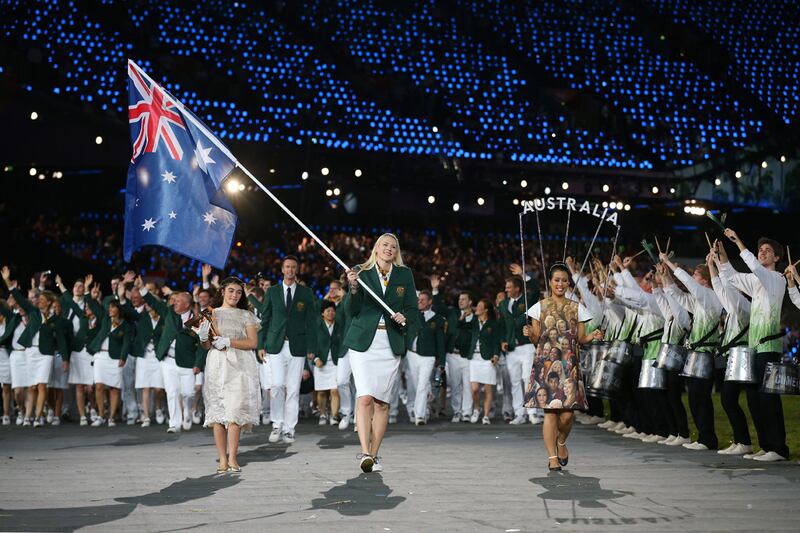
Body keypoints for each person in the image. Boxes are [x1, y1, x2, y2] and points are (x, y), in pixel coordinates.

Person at [344, 233, 419, 473]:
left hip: (390, 342)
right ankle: (364, 452)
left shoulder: (404, 274)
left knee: (382, 404)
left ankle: (374, 455)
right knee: (365, 397)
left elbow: (412, 309)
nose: (389, 249)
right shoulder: (361, 272)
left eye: (393, 247)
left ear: (397, 252)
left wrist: (404, 317)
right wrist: (353, 288)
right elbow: (352, 311)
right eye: (385, 245)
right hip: (363, 342)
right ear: (376, 249)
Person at [523, 263, 603, 471]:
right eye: (556, 280)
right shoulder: (538, 307)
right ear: (550, 282)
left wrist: (593, 337)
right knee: (550, 412)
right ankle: (552, 457)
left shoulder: (577, 308)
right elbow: (536, 339)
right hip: (545, 365)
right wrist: (530, 333)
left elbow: (581, 338)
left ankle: (561, 442)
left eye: (564, 280)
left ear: (569, 283)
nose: (560, 284)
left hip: (569, 366)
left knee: (567, 415)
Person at [718, 229, 789, 461]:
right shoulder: (757, 281)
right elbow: (731, 276)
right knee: (754, 399)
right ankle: (766, 446)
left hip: (769, 346)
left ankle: (779, 448)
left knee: (768, 399)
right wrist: (722, 256)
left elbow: (755, 268)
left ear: (777, 258)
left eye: (767, 251)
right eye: (761, 250)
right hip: (755, 348)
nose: (762, 252)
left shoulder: (777, 279)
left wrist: (738, 241)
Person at [196, 277, 260, 474]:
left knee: (234, 411)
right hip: (217, 364)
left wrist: (229, 341)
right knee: (217, 412)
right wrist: (203, 337)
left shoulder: (246, 315)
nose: (234, 295)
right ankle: (222, 459)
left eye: (238, 292)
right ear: (222, 291)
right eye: (231, 291)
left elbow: (252, 343)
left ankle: (233, 457)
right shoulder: (211, 313)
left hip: (240, 365)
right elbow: (208, 345)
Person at [258, 255, 318, 444]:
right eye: (287, 267)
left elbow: (312, 322)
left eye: (293, 267)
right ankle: (277, 424)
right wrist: (261, 344)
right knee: (276, 385)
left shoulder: (306, 293)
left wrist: (311, 347)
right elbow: (264, 319)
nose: (290, 270)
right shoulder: (273, 292)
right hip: (276, 344)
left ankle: (289, 429)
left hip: (297, 346)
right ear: (282, 270)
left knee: (293, 389)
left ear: (296, 270)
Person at [2, 267, 67, 427]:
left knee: (42, 384)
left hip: (46, 354)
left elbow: (61, 340)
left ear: (49, 302)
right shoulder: (33, 313)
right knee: (32, 386)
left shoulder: (55, 319)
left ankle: (37, 417)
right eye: (39, 300)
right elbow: (19, 298)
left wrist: (65, 359)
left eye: (42, 300)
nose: (39, 302)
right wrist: (7, 281)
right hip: (31, 352)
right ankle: (28, 415)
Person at [141, 282, 207, 433]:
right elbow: (154, 303)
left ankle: (188, 412)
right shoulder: (170, 313)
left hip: (188, 363)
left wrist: (198, 364)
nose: (174, 303)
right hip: (168, 360)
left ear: (186, 304)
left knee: (188, 393)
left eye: (177, 301)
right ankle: (174, 423)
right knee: (172, 392)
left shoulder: (198, 321)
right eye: (174, 301)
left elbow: (203, 346)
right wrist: (142, 289)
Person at [710, 245, 753, 455]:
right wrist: (713, 264)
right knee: (729, 399)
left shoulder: (744, 305)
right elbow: (720, 289)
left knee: (729, 398)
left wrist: (721, 261)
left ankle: (744, 441)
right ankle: (741, 441)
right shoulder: (735, 306)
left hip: (742, 356)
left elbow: (727, 287)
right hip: (734, 357)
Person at [500, 271, 538, 425]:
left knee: (527, 378)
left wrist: (524, 275)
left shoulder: (527, 300)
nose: (506, 290)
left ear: (517, 288)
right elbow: (502, 325)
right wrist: (502, 340)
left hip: (527, 345)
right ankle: (519, 413)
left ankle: (533, 412)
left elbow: (535, 290)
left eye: (509, 287)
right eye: (506, 287)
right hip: (511, 348)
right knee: (515, 381)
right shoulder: (503, 304)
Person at [86, 300, 131, 426]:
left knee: (114, 388)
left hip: (115, 358)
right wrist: (90, 296)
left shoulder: (126, 326)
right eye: (109, 307)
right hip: (101, 356)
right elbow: (96, 308)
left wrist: (123, 357)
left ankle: (111, 417)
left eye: (113, 307)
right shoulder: (105, 320)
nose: (110, 310)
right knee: (99, 386)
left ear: (118, 309)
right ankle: (101, 415)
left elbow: (126, 343)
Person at [405, 290, 445, 425]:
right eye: (418, 299)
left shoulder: (437, 319)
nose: (420, 302)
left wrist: (442, 362)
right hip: (412, 354)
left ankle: (419, 416)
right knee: (415, 385)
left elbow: (440, 342)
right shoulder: (412, 315)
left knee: (422, 385)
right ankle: (423, 405)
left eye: (423, 299)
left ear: (430, 302)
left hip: (428, 356)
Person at [466, 298, 501, 424]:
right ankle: (476, 408)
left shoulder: (493, 324)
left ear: (485, 309)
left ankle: (485, 415)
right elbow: (461, 326)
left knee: (488, 389)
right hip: (474, 359)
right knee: (475, 389)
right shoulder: (473, 322)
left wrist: (496, 355)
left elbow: (497, 341)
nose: (477, 307)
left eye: (479, 306)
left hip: (487, 359)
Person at [313, 300, 343, 426]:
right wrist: (315, 358)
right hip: (321, 361)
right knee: (321, 392)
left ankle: (334, 416)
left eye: (332, 310)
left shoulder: (339, 325)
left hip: (336, 362)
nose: (331, 313)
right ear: (322, 313)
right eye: (328, 311)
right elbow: (311, 343)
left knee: (335, 390)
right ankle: (322, 414)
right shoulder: (317, 325)